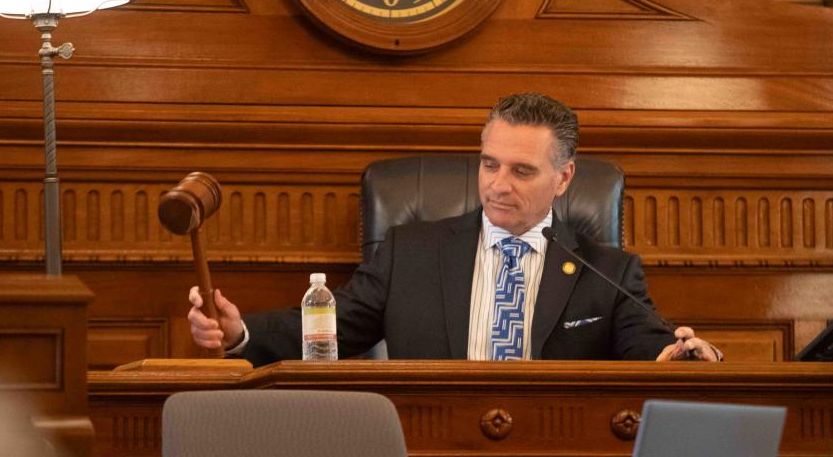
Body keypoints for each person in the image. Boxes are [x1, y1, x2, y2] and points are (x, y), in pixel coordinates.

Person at [188, 93, 721, 365]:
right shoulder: (411, 251)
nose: (498, 184)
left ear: (563, 178)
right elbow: (335, 327)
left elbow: (653, 350)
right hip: (429, 451)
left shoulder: (606, 271)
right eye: (490, 164)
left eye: (521, 170)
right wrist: (240, 333)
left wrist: (688, 358)